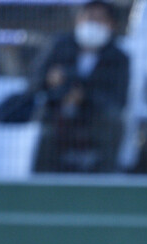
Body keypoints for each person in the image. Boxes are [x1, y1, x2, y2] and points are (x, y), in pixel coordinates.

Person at [25, 0, 130, 173]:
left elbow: (119, 99)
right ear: (78, 20)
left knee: (113, 123)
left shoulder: (119, 57)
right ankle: (42, 183)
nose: (92, 23)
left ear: (112, 25)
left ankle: (106, 179)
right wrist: (51, 82)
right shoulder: (58, 45)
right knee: (43, 129)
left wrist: (84, 97)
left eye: (99, 19)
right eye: (88, 17)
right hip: (56, 112)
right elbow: (34, 80)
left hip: (95, 116)